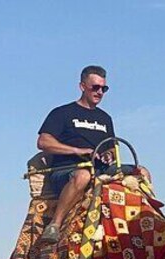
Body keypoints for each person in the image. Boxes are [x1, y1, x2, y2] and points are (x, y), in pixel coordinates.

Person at [38, 65, 115, 243]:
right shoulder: (62, 113)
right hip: (68, 170)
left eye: (104, 88)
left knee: (141, 172)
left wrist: (109, 155)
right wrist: (78, 151)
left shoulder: (106, 119)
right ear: (82, 86)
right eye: (95, 87)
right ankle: (55, 225)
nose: (100, 92)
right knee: (82, 176)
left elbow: (110, 146)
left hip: (101, 170)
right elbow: (43, 142)